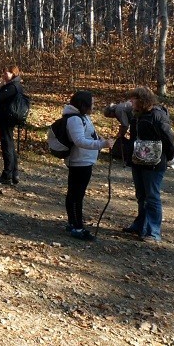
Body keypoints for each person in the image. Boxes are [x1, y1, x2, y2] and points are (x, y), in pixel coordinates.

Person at [122, 87, 174, 242]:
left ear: (142, 100)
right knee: (141, 195)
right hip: (138, 161)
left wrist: (169, 157)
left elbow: (169, 138)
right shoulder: (136, 115)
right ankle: (140, 226)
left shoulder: (158, 115)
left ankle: (153, 232)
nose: (130, 102)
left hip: (155, 163)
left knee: (152, 196)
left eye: (133, 99)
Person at [60, 91, 112, 241]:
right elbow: (79, 141)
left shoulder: (82, 117)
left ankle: (73, 223)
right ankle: (77, 227)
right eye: (91, 103)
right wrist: (101, 144)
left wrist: (100, 139)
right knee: (77, 195)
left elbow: (88, 136)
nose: (93, 106)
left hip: (84, 160)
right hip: (79, 161)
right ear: (83, 105)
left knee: (74, 193)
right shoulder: (75, 119)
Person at [0, 65, 24, 184]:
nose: (4, 75)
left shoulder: (13, 87)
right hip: (7, 117)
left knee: (7, 145)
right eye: (4, 73)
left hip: (7, 118)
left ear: (13, 74)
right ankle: (14, 173)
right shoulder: (14, 85)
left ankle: (7, 174)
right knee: (9, 144)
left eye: (7, 73)